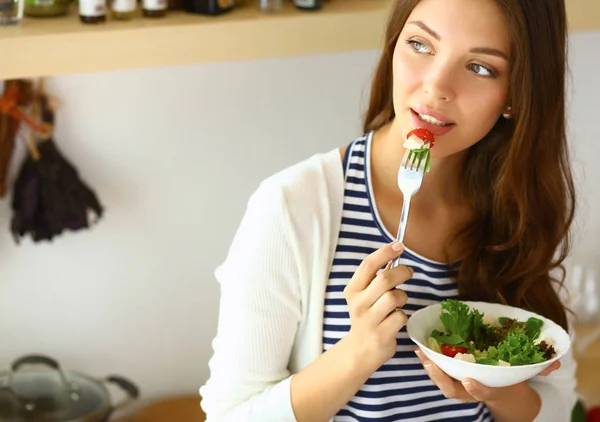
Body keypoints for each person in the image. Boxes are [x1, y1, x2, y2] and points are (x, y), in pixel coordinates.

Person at [199, 0, 579, 420]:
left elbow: (560, 405)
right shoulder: (293, 207)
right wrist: (356, 354)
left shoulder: (520, 210)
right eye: (420, 44)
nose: (436, 86)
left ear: (517, 94)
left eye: (480, 68)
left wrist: (497, 389)